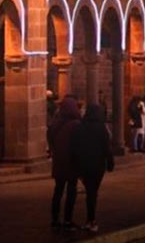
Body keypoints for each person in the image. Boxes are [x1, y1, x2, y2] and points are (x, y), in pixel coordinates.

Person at [71, 103, 114, 233]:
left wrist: (76, 163)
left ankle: (90, 220)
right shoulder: (101, 128)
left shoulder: (80, 127)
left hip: (84, 164)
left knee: (90, 191)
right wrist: (110, 163)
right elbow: (107, 147)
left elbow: (75, 146)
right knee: (92, 192)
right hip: (97, 165)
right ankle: (91, 220)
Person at [48, 95, 81, 230]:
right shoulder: (76, 125)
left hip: (59, 163)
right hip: (71, 163)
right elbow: (78, 144)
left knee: (58, 191)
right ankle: (68, 219)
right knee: (71, 192)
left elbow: (51, 140)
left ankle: (55, 219)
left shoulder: (55, 124)